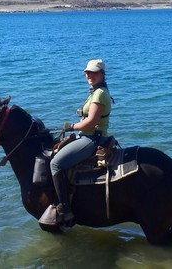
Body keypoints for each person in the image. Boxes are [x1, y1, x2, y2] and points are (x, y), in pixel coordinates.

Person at [50, 59, 112, 227]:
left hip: (91, 139)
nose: (88, 75)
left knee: (55, 164)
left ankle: (65, 208)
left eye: (92, 72)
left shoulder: (99, 94)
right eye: (87, 72)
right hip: (87, 136)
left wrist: (71, 126)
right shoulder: (97, 91)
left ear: (102, 74)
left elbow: (91, 123)